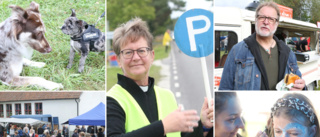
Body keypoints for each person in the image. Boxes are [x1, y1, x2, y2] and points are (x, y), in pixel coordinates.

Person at [107, 17, 213, 137]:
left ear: (152, 56)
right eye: (128, 52)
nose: (136, 57)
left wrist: (204, 126)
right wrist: (163, 127)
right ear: (119, 60)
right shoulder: (112, 100)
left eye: (141, 51)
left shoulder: (167, 96)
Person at [219, 2, 305, 90]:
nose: (266, 22)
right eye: (262, 17)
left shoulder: (288, 53)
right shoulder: (237, 51)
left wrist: (302, 87)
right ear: (256, 19)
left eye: (271, 19)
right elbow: (224, 90)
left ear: (277, 23)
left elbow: (298, 82)